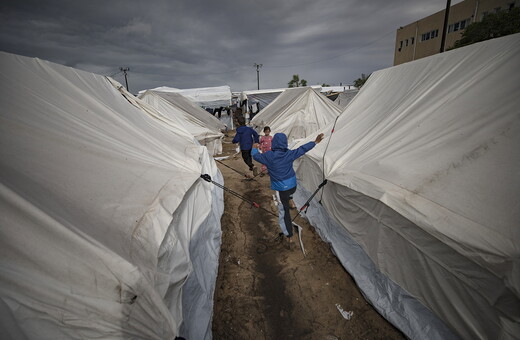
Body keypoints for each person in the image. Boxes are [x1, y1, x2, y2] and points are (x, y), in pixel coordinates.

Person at [252, 132, 324, 244]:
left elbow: (256, 156)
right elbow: (303, 149)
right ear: (285, 143)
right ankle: (291, 200)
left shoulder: (268, 156)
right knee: (289, 193)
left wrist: (254, 149)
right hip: (292, 185)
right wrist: (315, 142)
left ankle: (289, 234)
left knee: (284, 211)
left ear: (273, 143)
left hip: (282, 189)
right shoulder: (289, 153)